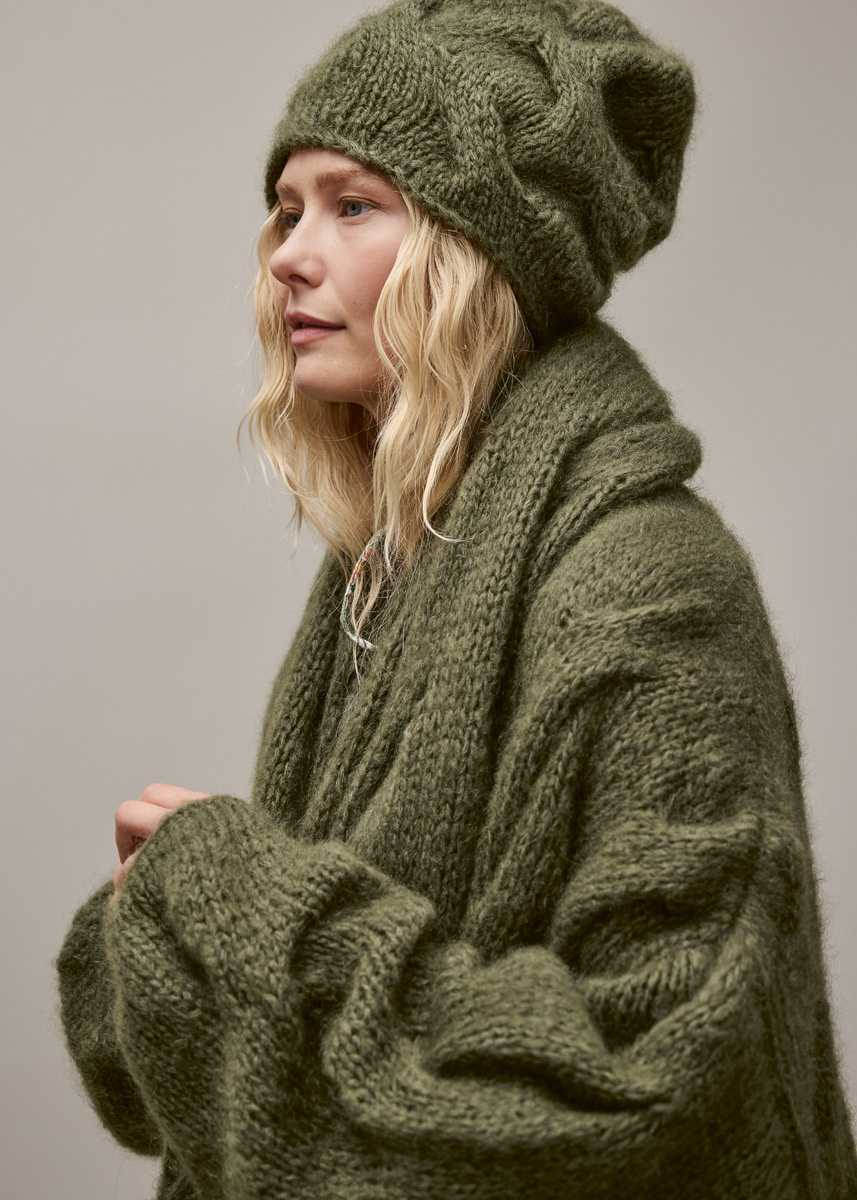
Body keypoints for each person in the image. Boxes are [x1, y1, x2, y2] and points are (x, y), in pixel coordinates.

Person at [56, 0, 857, 1196]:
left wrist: (243, 896)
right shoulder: (389, 568)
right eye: (286, 207)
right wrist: (176, 916)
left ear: (478, 250)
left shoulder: (649, 586)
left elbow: (662, 1069)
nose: (287, 254)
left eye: (352, 205)